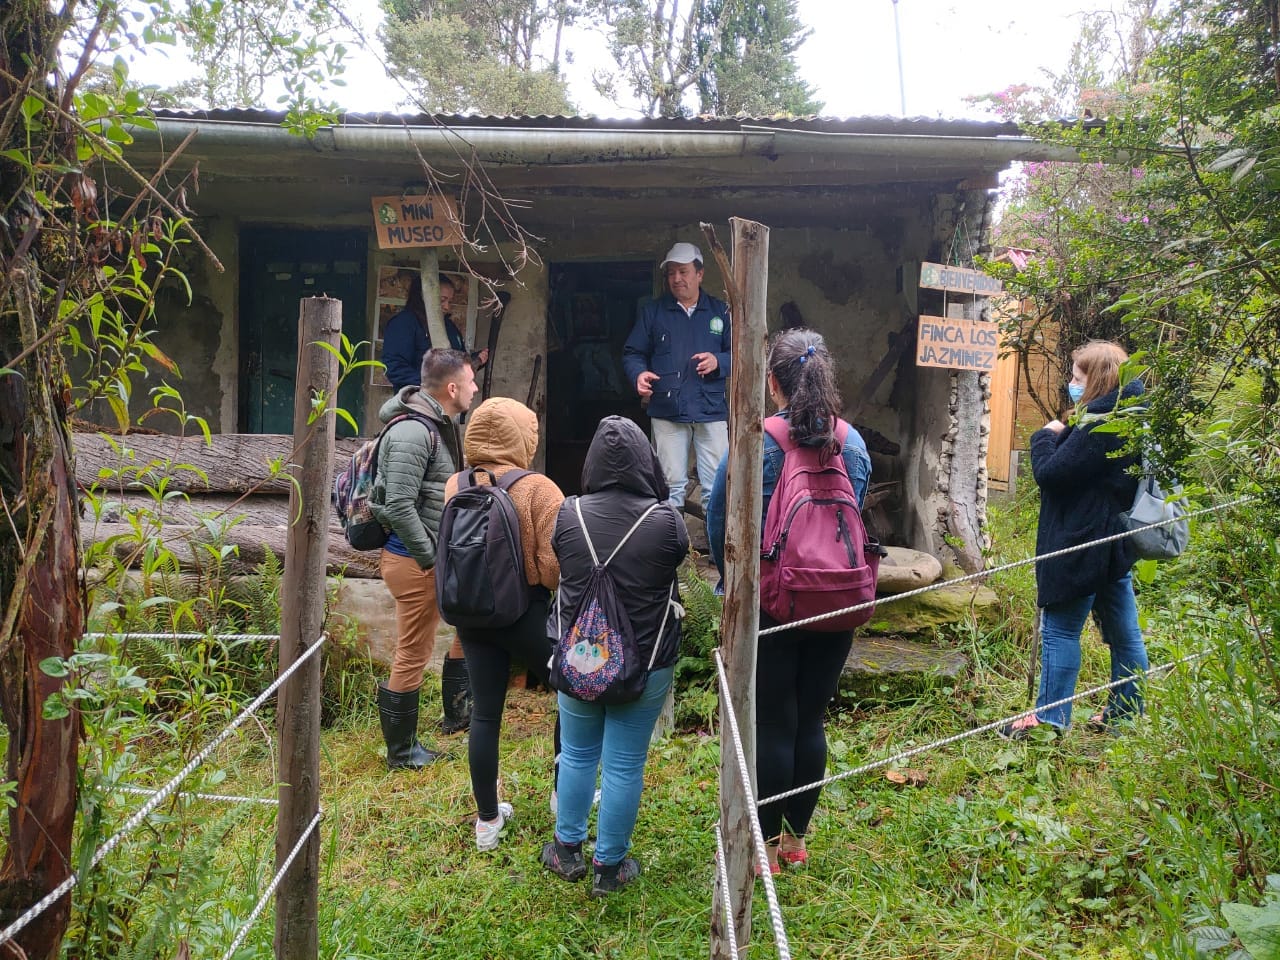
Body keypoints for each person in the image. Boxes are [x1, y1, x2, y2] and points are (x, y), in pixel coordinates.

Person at [706, 329, 871, 874]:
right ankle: (796, 840)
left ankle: (763, 849)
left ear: (773, 384)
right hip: (837, 602)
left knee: (774, 723)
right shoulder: (852, 443)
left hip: (772, 603)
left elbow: (720, 524)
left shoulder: (756, 443)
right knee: (812, 719)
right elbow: (854, 511)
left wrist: (731, 584)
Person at [539, 416, 689, 896]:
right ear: (647, 460)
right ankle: (610, 867)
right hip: (645, 662)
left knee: (576, 752)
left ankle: (566, 850)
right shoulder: (666, 521)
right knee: (624, 764)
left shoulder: (568, 513)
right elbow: (677, 559)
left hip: (579, 656)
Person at [1001, 340, 1148, 738]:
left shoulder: (1100, 426)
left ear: (1097, 380)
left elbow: (1051, 474)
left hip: (1080, 544)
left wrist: (1044, 436)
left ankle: (1050, 722)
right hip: (1113, 545)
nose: (1072, 383)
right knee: (1125, 634)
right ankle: (1125, 715)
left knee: (1061, 631)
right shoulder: (1132, 418)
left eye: (1077, 377)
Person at [443, 397, 565, 851]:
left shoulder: (455, 483)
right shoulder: (539, 488)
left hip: (471, 614)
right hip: (525, 612)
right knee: (570, 695)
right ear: (524, 437)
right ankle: (563, 796)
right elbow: (553, 568)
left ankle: (488, 822)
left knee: (485, 712)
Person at [369, 348, 478, 768]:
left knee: (465, 624)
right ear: (451, 388)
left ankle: (458, 715)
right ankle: (401, 752)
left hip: (432, 557)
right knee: (413, 652)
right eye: (470, 381)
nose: (474, 388)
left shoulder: (437, 424)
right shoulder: (414, 432)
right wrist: (431, 558)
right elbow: (398, 504)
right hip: (414, 562)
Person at [622, 242, 731, 511]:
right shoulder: (654, 312)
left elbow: (741, 355)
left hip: (710, 408)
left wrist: (718, 361)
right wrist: (639, 374)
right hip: (667, 408)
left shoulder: (721, 312)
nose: (676, 278)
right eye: (671, 273)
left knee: (716, 487)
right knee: (670, 488)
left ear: (700, 274)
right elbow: (633, 352)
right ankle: (673, 540)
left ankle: (716, 540)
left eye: (683, 271)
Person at [382, 275, 488, 392]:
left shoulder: (449, 326)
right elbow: (395, 367)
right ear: (424, 296)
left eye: (450, 301)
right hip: (416, 398)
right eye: (442, 300)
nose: (447, 307)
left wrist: (475, 359)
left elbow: (456, 361)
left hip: (447, 399)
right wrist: (432, 384)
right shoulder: (404, 323)